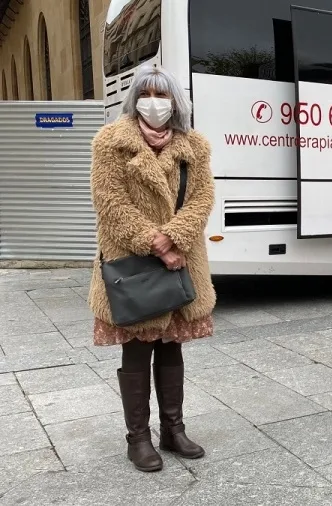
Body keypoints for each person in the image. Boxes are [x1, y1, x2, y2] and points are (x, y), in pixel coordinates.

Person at [88, 65, 216, 471]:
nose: (155, 102)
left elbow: (202, 199)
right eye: (148, 93)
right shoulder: (111, 141)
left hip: (181, 261)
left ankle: (173, 430)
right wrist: (157, 245)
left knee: (172, 346)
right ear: (135, 99)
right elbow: (110, 204)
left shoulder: (193, 145)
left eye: (163, 95)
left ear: (176, 101)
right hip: (134, 263)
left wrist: (175, 239)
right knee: (137, 349)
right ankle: (137, 439)